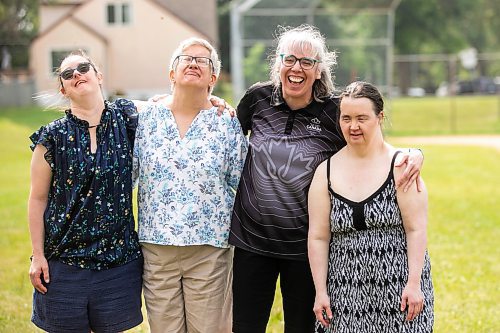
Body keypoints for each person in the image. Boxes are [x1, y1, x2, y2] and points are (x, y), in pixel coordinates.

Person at [229, 24, 425, 333]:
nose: (297, 68)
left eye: (307, 62)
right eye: (290, 59)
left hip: (306, 247)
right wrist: (210, 104)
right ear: (278, 63)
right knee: (244, 327)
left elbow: (372, 140)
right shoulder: (257, 99)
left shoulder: (335, 111)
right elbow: (223, 137)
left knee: (302, 328)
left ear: (319, 70)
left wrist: (413, 152)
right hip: (252, 241)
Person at [133, 37, 248, 333]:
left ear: (213, 77)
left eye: (203, 61)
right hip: (157, 249)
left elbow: (242, 183)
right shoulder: (145, 119)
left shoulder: (225, 123)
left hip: (209, 250)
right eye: (186, 58)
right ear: (172, 73)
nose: (194, 62)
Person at [28, 50, 143, 332]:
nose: (77, 74)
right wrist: (38, 255)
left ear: (99, 75)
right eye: (68, 74)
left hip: (117, 261)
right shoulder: (51, 137)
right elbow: (37, 199)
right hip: (64, 262)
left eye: (83, 67)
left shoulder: (126, 118)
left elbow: (171, 104)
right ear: (64, 89)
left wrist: (212, 101)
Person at [308, 81, 434, 332]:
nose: (353, 126)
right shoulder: (326, 172)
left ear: (380, 117)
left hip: (399, 288)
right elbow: (319, 236)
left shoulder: (402, 166)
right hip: (344, 290)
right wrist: (320, 292)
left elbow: (416, 229)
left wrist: (414, 283)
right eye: (346, 118)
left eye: (361, 118)